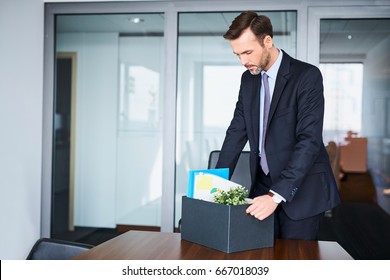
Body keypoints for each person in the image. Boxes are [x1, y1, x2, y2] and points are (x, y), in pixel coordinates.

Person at [216, 11, 340, 240]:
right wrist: (214, 180)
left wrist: (276, 195)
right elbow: (236, 131)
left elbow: (309, 140)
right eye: (237, 54)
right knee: (260, 254)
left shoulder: (306, 76)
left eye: (248, 52)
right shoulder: (248, 79)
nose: (243, 61)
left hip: (301, 188)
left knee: (295, 261)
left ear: (268, 41)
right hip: (262, 185)